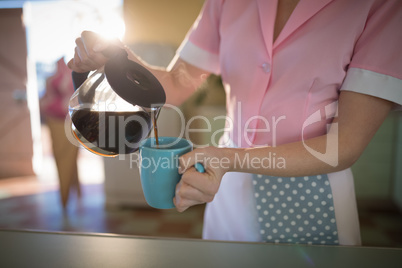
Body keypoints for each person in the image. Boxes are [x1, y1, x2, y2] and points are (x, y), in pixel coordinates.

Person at [68, 0, 402, 245]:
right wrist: (116, 56)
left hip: (311, 197)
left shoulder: (381, 7)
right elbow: (175, 84)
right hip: (229, 191)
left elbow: (342, 146)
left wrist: (229, 159)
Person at [41, 57, 81, 209]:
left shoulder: (56, 77)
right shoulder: (58, 77)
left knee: (66, 157)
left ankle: (68, 196)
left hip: (66, 118)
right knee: (66, 157)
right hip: (63, 117)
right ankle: (66, 196)